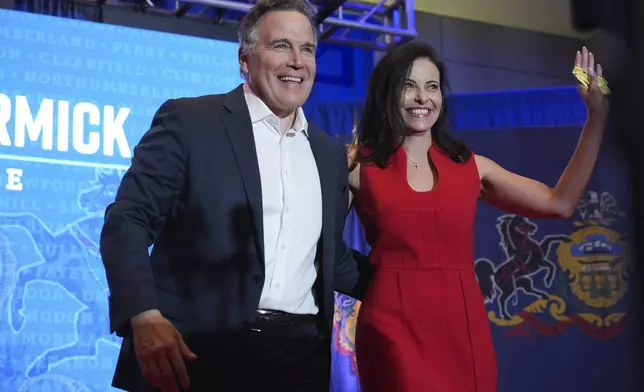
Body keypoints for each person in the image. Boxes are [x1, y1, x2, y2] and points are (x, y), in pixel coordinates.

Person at [100, 0, 369, 391]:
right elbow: (128, 221)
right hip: (196, 355)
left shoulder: (328, 154)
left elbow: (328, 257)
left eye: (307, 49)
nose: (297, 61)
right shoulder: (191, 122)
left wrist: (408, 284)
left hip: (299, 363)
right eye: (281, 46)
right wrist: (143, 314)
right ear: (244, 59)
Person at [347, 42, 609, 391]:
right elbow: (317, 243)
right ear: (387, 93)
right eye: (408, 86)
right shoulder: (357, 164)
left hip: (461, 330)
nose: (422, 97)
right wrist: (374, 280)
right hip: (389, 327)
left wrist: (596, 119)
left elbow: (559, 202)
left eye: (432, 86)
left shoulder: (471, 167)